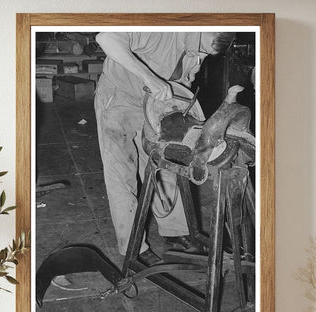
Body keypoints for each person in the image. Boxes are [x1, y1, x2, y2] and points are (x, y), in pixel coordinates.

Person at [94, 31, 235, 262]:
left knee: (165, 165)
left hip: (155, 106)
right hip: (119, 99)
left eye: (206, 53)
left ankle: (176, 233)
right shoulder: (159, 28)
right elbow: (106, 38)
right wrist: (149, 78)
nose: (201, 54)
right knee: (122, 174)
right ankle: (134, 249)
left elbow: (183, 73)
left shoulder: (201, 43)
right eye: (203, 47)